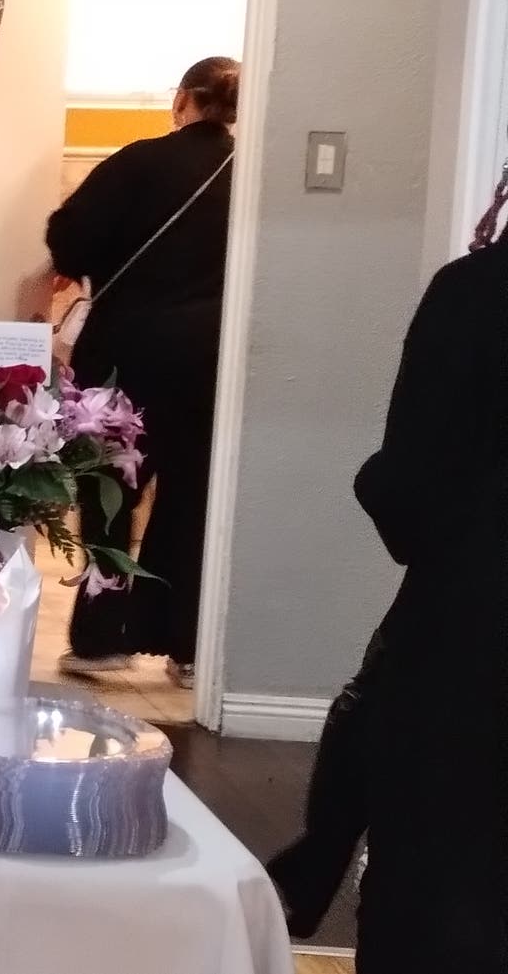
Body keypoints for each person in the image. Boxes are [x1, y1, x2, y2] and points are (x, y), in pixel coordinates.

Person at [263, 239, 508, 966]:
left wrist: (376, 483)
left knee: (441, 888)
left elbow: (410, 493)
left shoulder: (476, 292)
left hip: (470, 638)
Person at [45, 56, 238, 686]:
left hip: (127, 351)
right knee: (195, 496)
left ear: (182, 99)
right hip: (217, 356)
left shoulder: (139, 161)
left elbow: (69, 240)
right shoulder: (251, 173)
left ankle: (103, 638)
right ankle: (187, 645)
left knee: (111, 490)